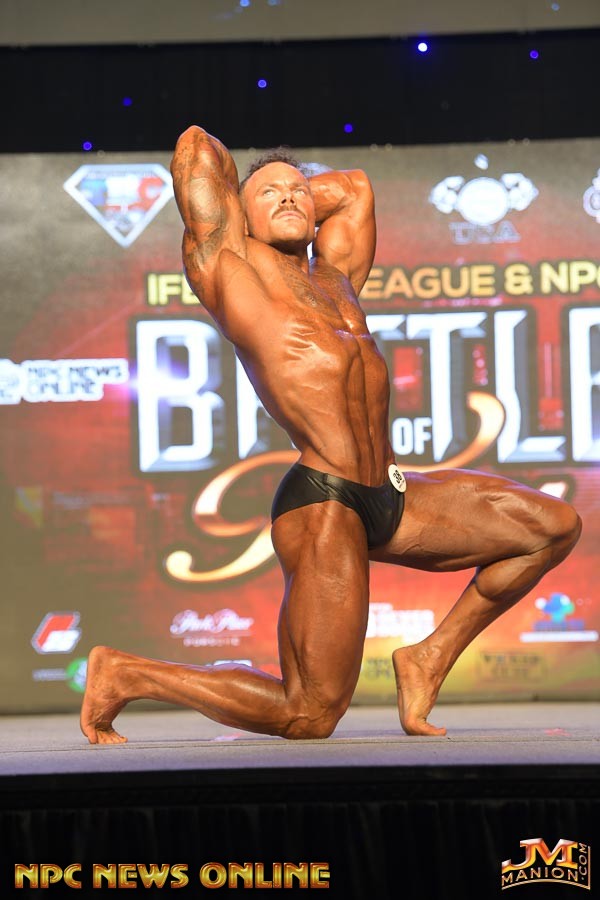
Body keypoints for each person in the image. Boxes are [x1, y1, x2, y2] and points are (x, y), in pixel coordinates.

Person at [80, 127, 581, 744]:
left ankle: (429, 658)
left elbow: (357, 189)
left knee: (551, 527)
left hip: (391, 494)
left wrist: (289, 197)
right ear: (239, 214)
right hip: (324, 501)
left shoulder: (336, 277)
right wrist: (254, 202)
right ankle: (126, 674)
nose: (290, 197)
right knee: (310, 713)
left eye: (299, 190)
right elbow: (195, 151)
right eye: (270, 193)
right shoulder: (229, 267)